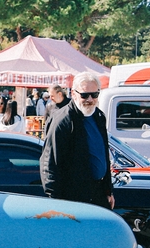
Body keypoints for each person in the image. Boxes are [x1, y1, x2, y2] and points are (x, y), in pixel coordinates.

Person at [40, 72, 113, 208]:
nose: (90, 99)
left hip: (97, 194)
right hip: (73, 198)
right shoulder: (62, 121)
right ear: (73, 94)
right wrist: (57, 203)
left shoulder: (99, 117)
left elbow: (103, 154)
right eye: (84, 95)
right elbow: (49, 164)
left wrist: (108, 190)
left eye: (94, 95)